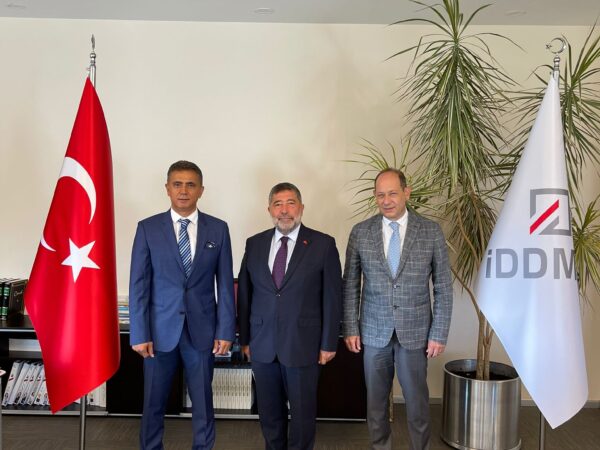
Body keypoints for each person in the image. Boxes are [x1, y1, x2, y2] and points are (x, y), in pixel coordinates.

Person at [342, 168, 453, 450]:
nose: (386, 200)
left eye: (392, 193)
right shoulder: (361, 232)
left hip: (415, 333)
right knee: (375, 405)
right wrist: (351, 328)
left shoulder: (430, 231)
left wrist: (438, 333)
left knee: (417, 404)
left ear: (407, 192)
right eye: (380, 195)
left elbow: (443, 286)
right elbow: (350, 285)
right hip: (373, 332)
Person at [129, 160, 235, 450]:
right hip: (158, 332)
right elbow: (138, 285)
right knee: (153, 402)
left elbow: (226, 285)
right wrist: (139, 333)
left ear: (201, 190)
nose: (184, 190)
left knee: (203, 402)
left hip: (202, 331)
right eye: (177, 184)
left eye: (191, 185)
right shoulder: (148, 228)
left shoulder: (218, 229)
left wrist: (225, 330)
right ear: (167, 188)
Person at [237, 182, 343, 450]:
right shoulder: (255, 243)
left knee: (302, 416)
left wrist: (328, 343)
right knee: (269, 415)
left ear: (301, 208)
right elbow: (245, 296)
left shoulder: (323, 244)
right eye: (278, 204)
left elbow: (332, 298)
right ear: (269, 210)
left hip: (303, 345)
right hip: (262, 345)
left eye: (290, 203)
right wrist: (245, 340)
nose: (284, 210)